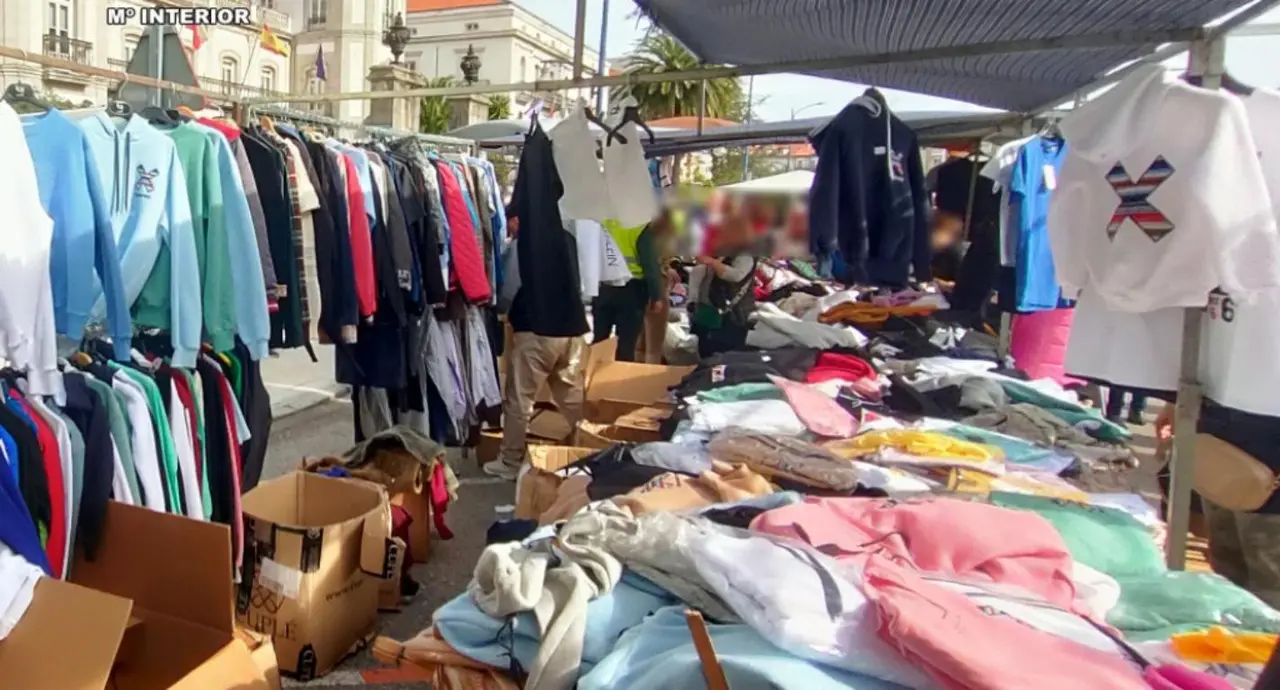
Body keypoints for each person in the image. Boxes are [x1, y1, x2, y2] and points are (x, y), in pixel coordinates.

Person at [484, 207, 589, 481]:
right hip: (572, 330)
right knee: (571, 395)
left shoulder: (525, 244)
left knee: (520, 399)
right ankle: (589, 446)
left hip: (537, 330)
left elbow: (510, 287)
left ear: (518, 219)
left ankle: (509, 461)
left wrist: (499, 312)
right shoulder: (568, 239)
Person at [593, 213, 667, 362]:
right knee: (626, 343)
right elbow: (649, 264)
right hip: (632, 291)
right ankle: (620, 380)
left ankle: (593, 375)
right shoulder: (639, 228)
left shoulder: (602, 224)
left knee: (599, 340)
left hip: (604, 287)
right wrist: (656, 295)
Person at [688, 211, 756, 358]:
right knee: (706, 347)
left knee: (724, 351)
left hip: (731, 314)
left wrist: (711, 262)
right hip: (710, 310)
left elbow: (736, 275)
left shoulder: (744, 254)